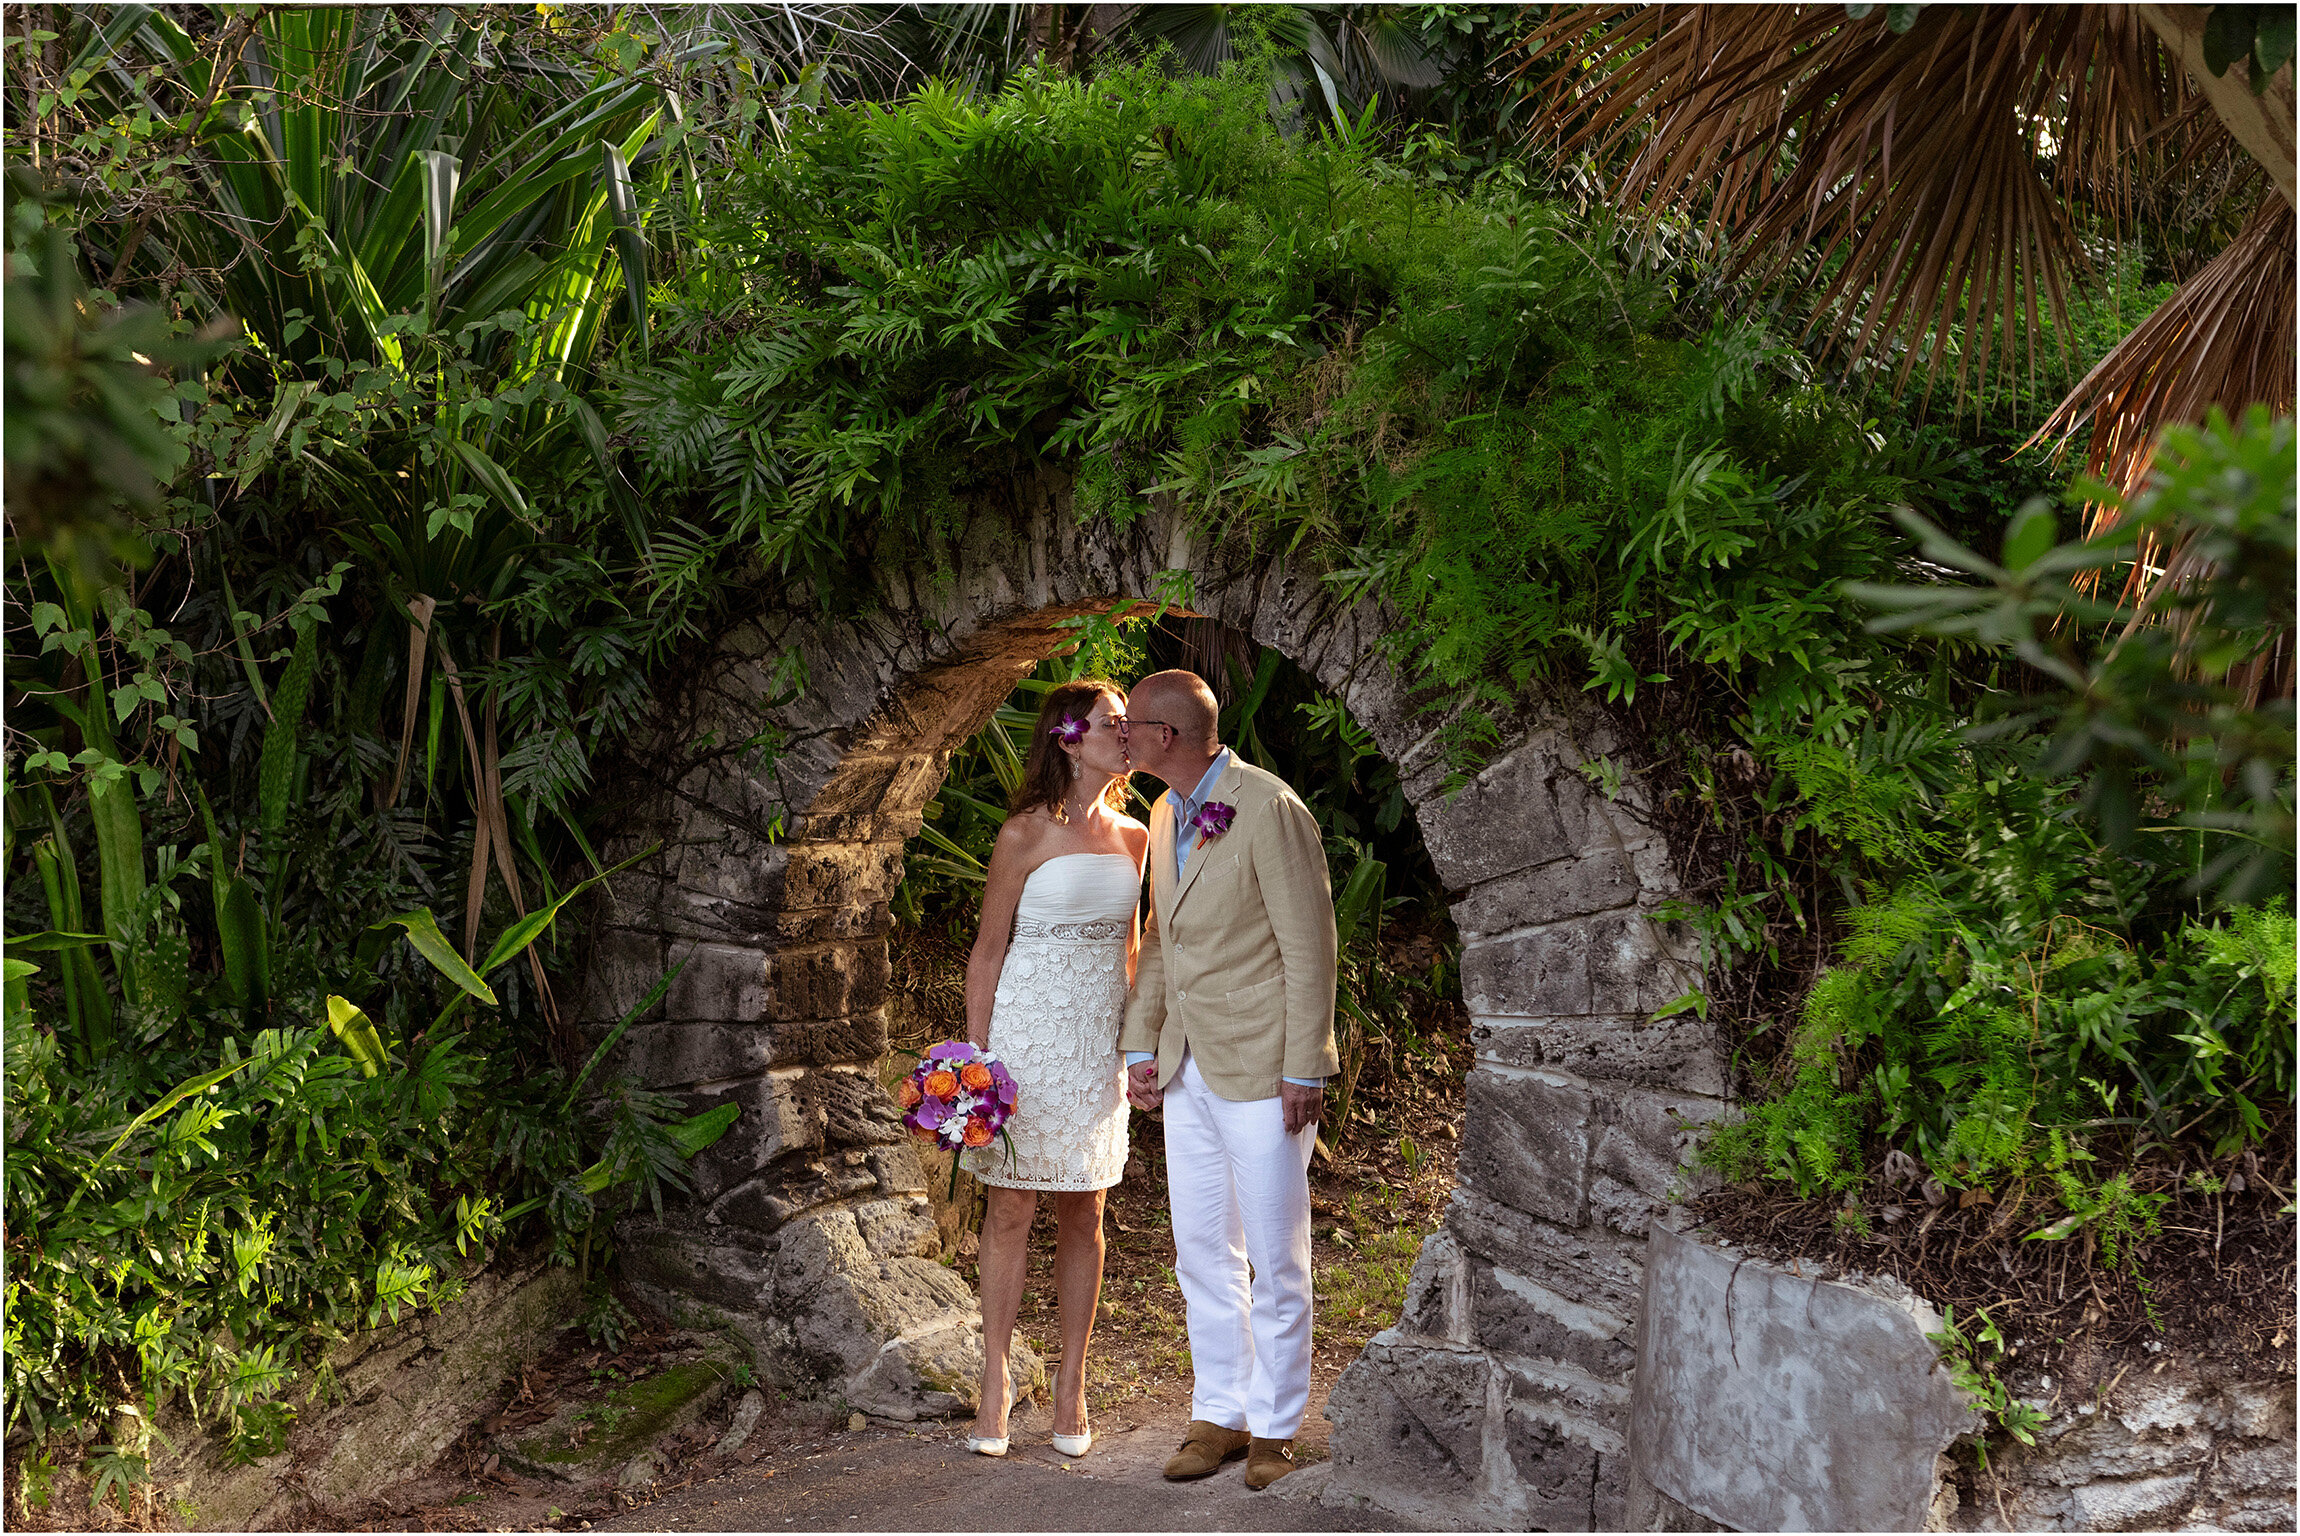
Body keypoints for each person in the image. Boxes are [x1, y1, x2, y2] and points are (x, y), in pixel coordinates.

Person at [1116, 668, 1339, 1491]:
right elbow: (1164, 944)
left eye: (1131, 724)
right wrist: (1142, 1052)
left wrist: (1304, 1065)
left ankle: (1277, 1427)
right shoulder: (1166, 810)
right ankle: (1220, 1414)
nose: (1121, 735)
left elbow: (1309, 946)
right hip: (1186, 1067)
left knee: (1277, 1258)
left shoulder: (1270, 806)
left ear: (1166, 736)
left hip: (1264, 1066)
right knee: (1203, 1250)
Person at [959, 678, 1148, 1460]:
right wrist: (977, 1063)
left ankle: (1072, 1384)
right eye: (1113, 723)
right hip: (1027, 1039)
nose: (1127, 733)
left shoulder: (1139, 837)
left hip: (1096, 1044)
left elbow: (1135, 950)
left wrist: (1138, 1046)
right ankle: (994, 1381)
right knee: (1010, 1209)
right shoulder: (1023, 835)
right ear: (1070, 738)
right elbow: (988, 950)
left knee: (1088, 1212)